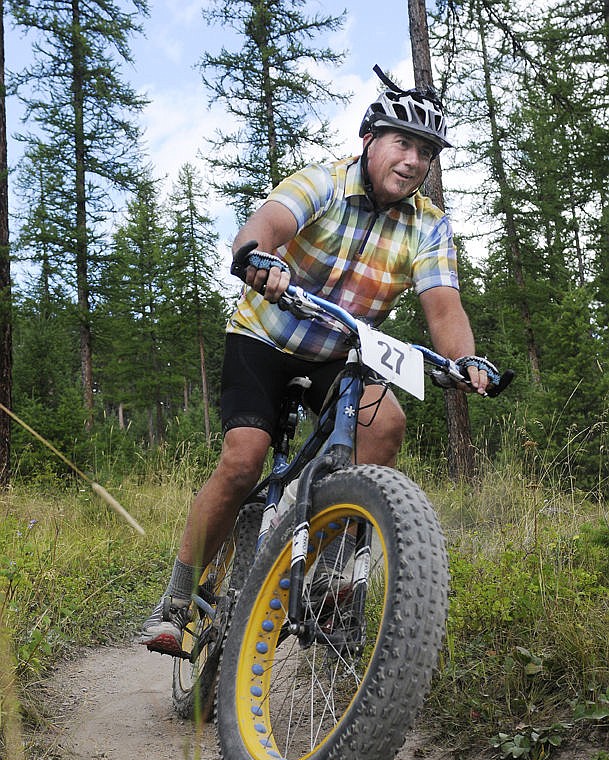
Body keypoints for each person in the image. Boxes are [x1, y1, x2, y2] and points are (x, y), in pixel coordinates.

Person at [140, 71, 495, 655]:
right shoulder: (324, 183)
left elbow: (444, 306)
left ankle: (329, 578)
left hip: (336, 351)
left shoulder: (429, 224)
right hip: (266, 336)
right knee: (244, 458)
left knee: (385, 425)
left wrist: (467, 361)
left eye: (425, 152)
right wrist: (256, 255)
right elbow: (268, 223)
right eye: (402, 143)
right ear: (369, 140)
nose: (412, 161)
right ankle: (177, 600)